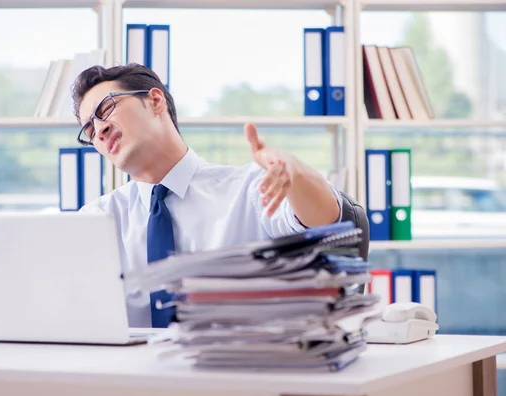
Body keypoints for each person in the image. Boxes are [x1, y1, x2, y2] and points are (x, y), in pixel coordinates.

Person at [73, 63, 343, 328]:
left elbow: (325, 223)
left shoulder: (248, 188)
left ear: (155, 101)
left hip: (234, 365)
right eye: (89, 130)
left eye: (106, 109)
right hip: (129, 369)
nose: (100, 130)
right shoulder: (97, 220)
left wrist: (294, 172)